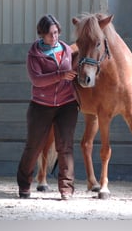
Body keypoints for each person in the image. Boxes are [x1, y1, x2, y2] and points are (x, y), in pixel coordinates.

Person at [16, 14, 79, 200]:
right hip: (41, 106)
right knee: (33, 147)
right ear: (42, 34)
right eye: (51, 34)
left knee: (65, 147)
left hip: (67, 105)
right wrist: (61, 75)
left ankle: (66, 188)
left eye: (57, 32)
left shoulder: (67, 50)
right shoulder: (34, 54)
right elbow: (36, 80)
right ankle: (24, 185)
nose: (55, 37)